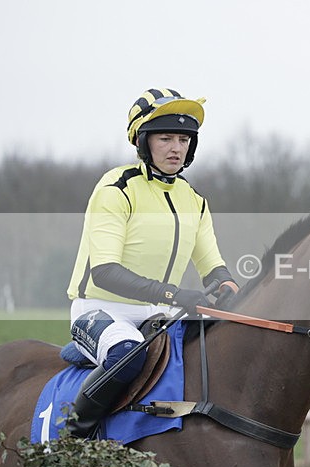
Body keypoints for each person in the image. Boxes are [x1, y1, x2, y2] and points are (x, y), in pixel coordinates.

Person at [63, 87, 239, 438]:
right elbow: (106, 272)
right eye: (166, 138)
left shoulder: (195, 200)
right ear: (144, 142)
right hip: (100, 310)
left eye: (184, 139)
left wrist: (229, 286)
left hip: (158, 315)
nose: (177, 148)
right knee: (127, 355)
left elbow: (214, 267)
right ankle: (73, 440)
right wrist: (176, 295)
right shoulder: (116, 188)